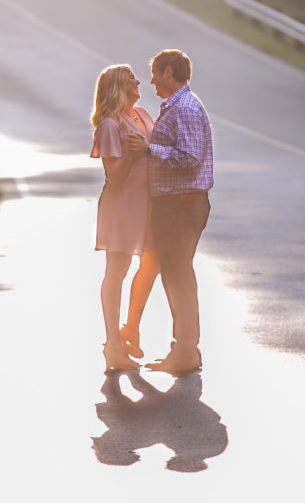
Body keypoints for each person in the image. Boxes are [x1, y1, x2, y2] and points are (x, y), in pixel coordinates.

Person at [128, 49, 213, 374]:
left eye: (154, 73)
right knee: (177, 276)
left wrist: (150, 149)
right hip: (174, 205)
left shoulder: (186, 109)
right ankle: (184, 349)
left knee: (179, 278)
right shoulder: (177, 107)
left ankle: (186, 351)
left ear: (168, 72)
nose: (151, 81)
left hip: (181, 205)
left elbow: (190, 158)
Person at [91, 64, 160, 371]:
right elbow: (113, 178)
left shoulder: (143, 115)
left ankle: (130, 328)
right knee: (117, 271)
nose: (138, 82)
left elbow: (156, 148)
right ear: (118, 87)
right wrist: (132, 155)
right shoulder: (109, 125)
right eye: (131, 78)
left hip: (147, 204)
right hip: (121, 206)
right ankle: (112, 345)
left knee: (154, 262)